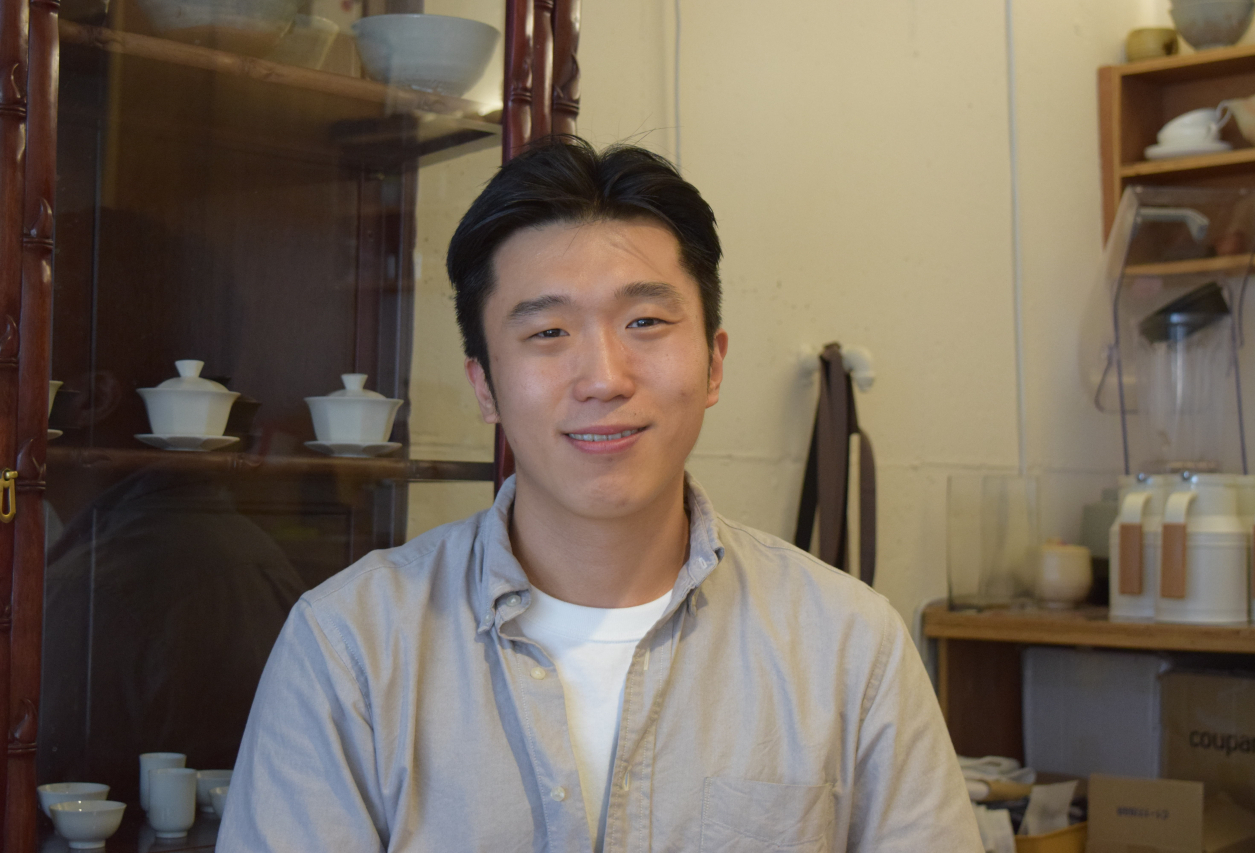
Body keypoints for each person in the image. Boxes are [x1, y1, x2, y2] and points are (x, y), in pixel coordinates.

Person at [217, 137, 982, 852]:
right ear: (483, 383)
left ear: (715, 363)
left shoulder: (849, 646)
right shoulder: (349, 648)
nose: (605, 378)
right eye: (548, 333)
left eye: (646, 320)